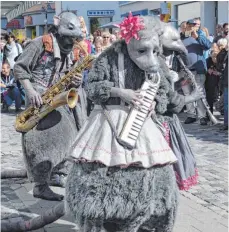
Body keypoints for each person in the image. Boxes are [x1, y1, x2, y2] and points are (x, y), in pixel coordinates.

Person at [65, 13, 202, 231]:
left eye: (154, 51)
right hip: (108, 122)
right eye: (142, 51)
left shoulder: (157, 64)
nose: (150, 57)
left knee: (156, 175)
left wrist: (153, 102)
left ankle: (145, 219)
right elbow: (91, 88)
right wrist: (120, 92)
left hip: (143, 126)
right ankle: (104, 217)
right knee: (99, 173)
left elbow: (165, 97)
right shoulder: (108, 58)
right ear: (128, 41)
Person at [14, 12, 85, 201]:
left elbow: (70, 79)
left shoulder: (74, 51)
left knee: (68, 136)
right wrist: (30, 91)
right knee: (42, 143)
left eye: (74, 39)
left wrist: (76, 81)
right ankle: (40, 185)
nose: (71, 43)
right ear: (58, 33)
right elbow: (20, 68)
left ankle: (56, 174)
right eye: (68, 39)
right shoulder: (39, 43)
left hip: (57, 99)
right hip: (38, 99)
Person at [181, 19, 212, 125]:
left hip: (198, 70)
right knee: (187, 93)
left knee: (199, 93)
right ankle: (191, 115)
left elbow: (208, 45)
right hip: (185, 70)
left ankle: (202, 116)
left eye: (194, 25)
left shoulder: (199, 35)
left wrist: (197, 37)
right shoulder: (181, 37)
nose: (192, 27)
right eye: (189, 25)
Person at [205, 45, 221, 113]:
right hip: (210, 81)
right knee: (210, 96)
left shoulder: (221, 60)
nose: (214, 59)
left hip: (220, 81)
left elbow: (224, 71)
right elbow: (204, 69)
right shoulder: (208, 60)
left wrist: (218, 73)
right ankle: (210, 112)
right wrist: (207, 70)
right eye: (213, 57)